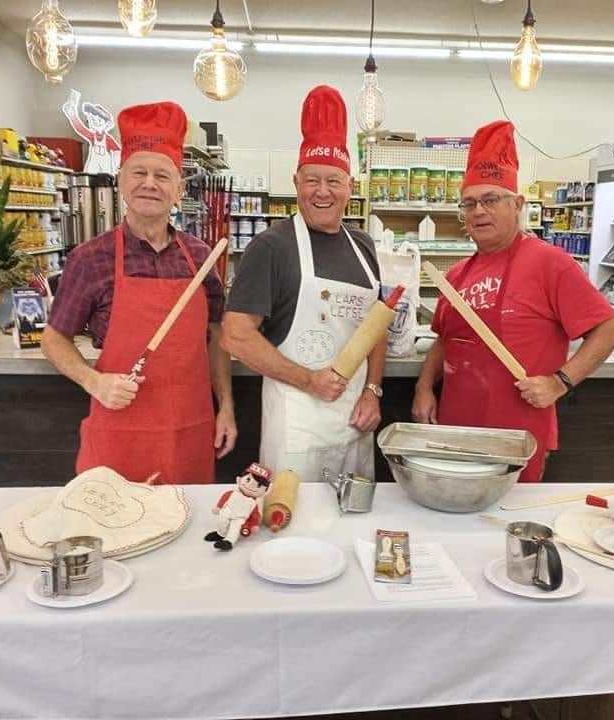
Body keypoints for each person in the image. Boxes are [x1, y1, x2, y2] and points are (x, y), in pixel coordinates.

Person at [412, 120, 614, 482]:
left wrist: (560, 381)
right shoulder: (457, 275)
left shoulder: (549, 262)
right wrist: (423, 387)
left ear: (518, 204)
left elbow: (609, 330)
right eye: (470, 203)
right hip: (455, 426)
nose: (479, 211)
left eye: (491, 200)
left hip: (517, 432)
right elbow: (444, 340)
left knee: (509, 521)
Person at [42, 101, 236, 484]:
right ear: (121, 180)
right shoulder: (90, 258)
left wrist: (226, 406)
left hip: (189, 430)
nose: (150, 184)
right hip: (119, 433)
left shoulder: (200, 257)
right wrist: (93, 381)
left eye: (163, 175)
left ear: (179, 188)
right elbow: (53, 339)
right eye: (140, 172)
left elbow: (218, 335)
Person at [222, 85, 385, 483]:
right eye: (313, 180)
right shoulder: (271, 247)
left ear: (350, 185)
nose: (323, 192)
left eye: (334, 180)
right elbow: (235, 336)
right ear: (297, 181)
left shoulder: (362, 245)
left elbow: (376, 325)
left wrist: (373, 391)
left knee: (352, 525)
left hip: (354, 423)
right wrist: (308, 380)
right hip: (296, 426)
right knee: (290, 526)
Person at [205, 463, 272, 551]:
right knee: (222, 521)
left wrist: (254, 525)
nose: (251, 485)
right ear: (240, 479)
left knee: (235, 528)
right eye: (248, 479)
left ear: (265, 491)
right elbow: (225, 497)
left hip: (240, 518)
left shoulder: (253, 503)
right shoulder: (233, 493)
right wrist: (219, 507)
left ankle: (229, 541)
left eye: (259, 485)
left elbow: (255, 515)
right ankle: (221, 534)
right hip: (227, 510)